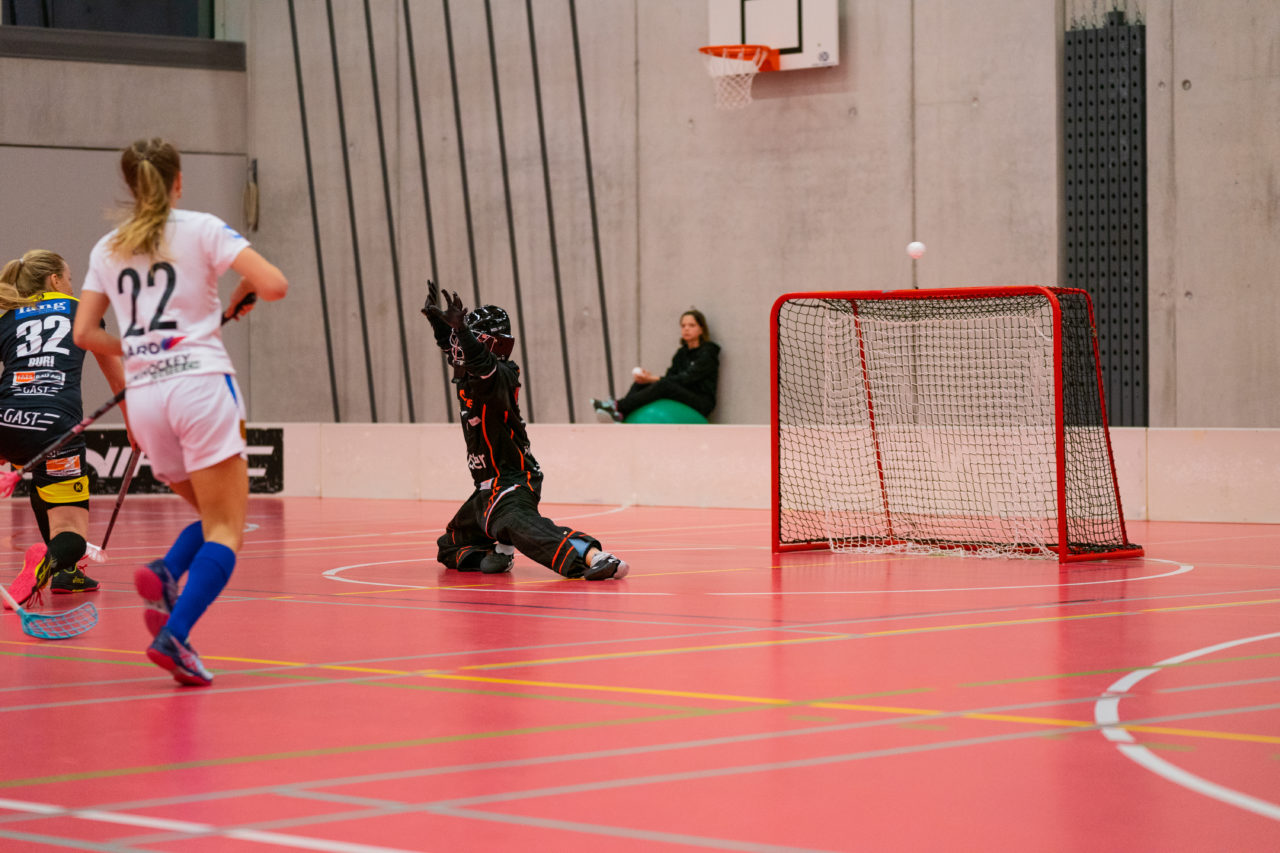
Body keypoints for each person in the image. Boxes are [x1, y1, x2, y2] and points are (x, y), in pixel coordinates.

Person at [73, 138, 287, 686]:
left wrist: (142, 348)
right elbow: (274, 284)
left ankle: (168, 570)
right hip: (199, 386)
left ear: (130, 183)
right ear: (178, 181)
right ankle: (176, 632)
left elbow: (85, 333)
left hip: (145, 400)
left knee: (212, 515)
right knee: (227, 527)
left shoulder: (106, 247)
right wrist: (238, 292)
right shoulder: (202, 228)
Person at [422, 284, 628, 581]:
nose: (458, 347)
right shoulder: (470, 377)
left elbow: (480, 362)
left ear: (491, 345)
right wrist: (439, 327)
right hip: (485, 492)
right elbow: (456, 351)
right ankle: (503, 550)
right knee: (450, 546)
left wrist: (463, 332)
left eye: (466, 339)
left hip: (512, 483)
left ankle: (598, 557)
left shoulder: (501, 377)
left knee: (526, 527)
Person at [0, 250, 127, 605]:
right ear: (55, 280)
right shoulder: (80, 309)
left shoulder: (7, 317)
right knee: (70, 533)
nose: (73, 284)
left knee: (39, 475)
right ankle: (56, 560)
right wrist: (136, 425)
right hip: (56, 429)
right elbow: (116, 376)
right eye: (69, 277)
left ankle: (68, 576)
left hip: (5, 419)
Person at [592, 308, 719, 423]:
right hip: (683, 395)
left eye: (691, 325)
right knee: (640, 383)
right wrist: (647, 379)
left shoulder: (708, 353)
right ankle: (620, 414)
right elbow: (671, 377)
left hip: (701, 402)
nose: (686, 329)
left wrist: (653, 378)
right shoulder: (681, 353)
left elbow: (686, 378)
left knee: (663, 385)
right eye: (683, 326)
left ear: (701, 329)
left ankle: (617, 406)